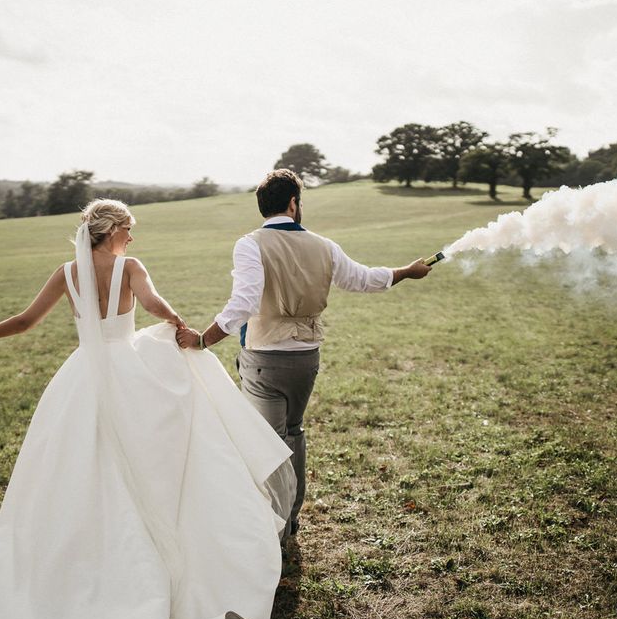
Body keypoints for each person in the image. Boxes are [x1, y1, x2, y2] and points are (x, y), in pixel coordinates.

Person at [0, 199, 296, 619]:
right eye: (129, 230)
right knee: (142, 454)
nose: (132, 239)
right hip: (126, 369)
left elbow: (24, 321)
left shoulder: (66, 273)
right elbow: (153, 304)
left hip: (81, 375)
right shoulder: (130, 267)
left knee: (80, 458)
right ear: (115, 230)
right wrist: (178, 322)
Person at [176, 169, 431, 537]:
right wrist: (407, 271)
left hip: (264, 357)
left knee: (266, 442)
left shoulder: (250, 243)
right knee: (292, 434)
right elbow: (363, 279)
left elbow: (244, 302)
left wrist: (204, 340)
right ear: (293, 203)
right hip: (307, 358)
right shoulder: (324, 245)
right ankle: (290, 518)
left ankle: (273, 528)